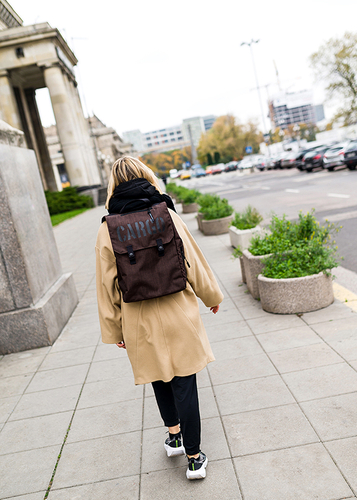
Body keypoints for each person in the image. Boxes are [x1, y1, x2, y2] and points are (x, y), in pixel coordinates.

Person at [95, 156, 223, 480]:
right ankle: (194, 459)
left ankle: (174, 436)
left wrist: (114, 329)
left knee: (158, 377)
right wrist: (211, 296)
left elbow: (105, 285)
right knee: (185, 383)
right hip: (177, 309)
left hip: (138, 318)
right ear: (147, 176)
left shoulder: (107, 229)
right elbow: (192, 259)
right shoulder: (166, 214)